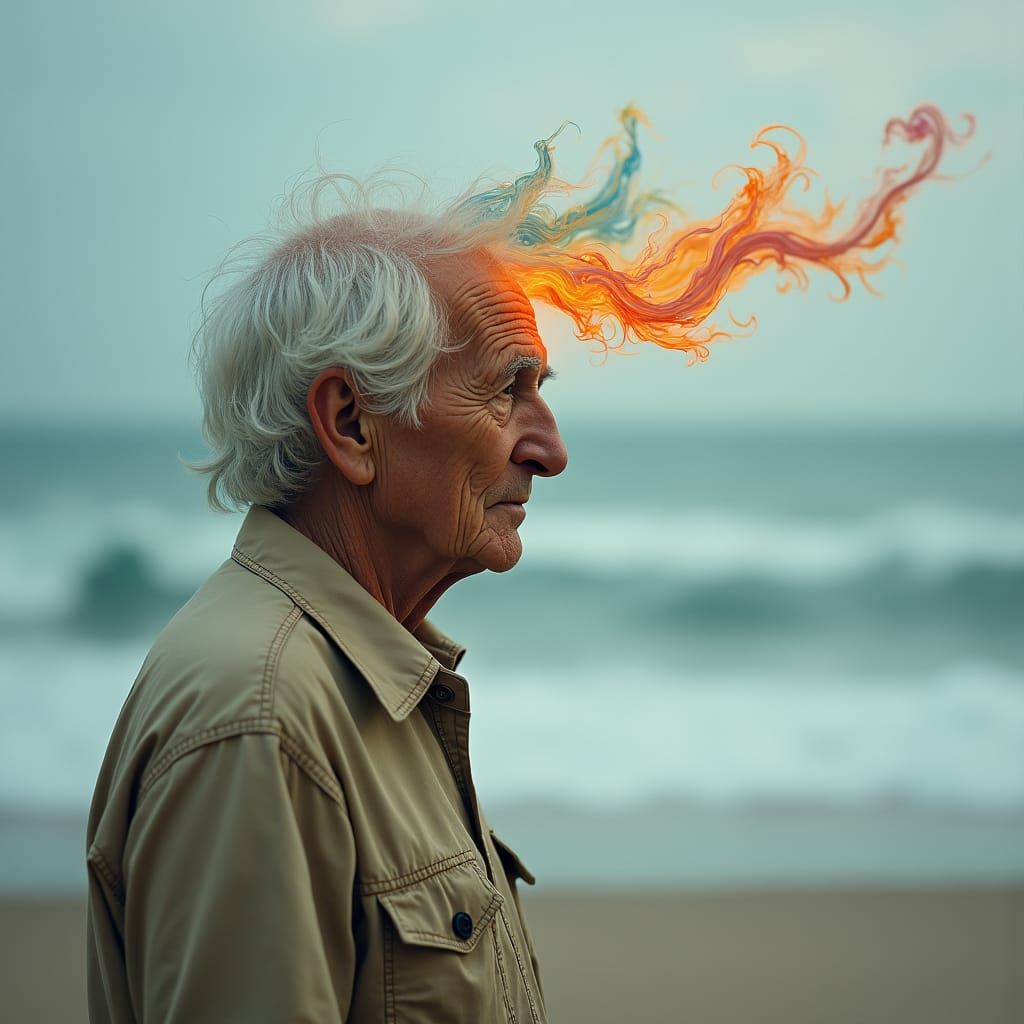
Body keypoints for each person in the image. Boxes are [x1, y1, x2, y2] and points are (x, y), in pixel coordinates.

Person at [85, 199, 568, 1023]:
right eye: (503, 390)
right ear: (350, 423)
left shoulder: (357, 678)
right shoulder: (259, 714)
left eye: (539, 389)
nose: (549, 449)